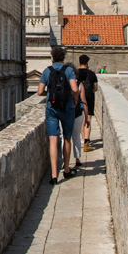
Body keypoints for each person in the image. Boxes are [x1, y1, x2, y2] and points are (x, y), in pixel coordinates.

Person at [37, 46, 79, 185]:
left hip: (52, 108)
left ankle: (54, 175)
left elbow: (39, 91)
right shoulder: (69, 70)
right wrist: (74, 98)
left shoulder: (47, 71)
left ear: (52, 57)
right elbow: (74, 88)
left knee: (53, 139)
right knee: (67, 138)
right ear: (63, 57)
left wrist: (50, 94)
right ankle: (66, 169)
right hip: (67, 107)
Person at [61, 62, 88, 170]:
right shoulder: (79, 83)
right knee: (76, 136)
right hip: (77, 113)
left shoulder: (63, 82)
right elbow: (84, 100)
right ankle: (77, 159)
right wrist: (87, 117)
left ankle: (65, 161)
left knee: (64, 137)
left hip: (64, 112)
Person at [76, 55, 98, 152]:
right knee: (88, 119)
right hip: (89, 98)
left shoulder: (75, 73)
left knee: (81, 120)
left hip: (79, 98)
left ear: (79, 61)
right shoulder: (92, 74)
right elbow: (96, 88)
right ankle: (86, 141)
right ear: (87, 62)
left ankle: (82, 138)